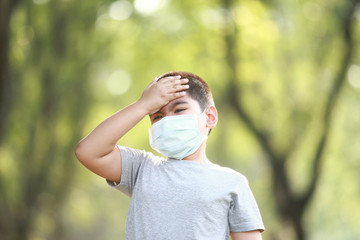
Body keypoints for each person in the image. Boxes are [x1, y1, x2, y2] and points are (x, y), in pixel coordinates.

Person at [75, 71, 265, 240]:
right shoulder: (141, 169)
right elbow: (88, 151)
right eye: (157, 116)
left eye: (179, 110)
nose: (167, 121)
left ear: (210, 117)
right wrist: (143, 105)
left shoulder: (232, 183)